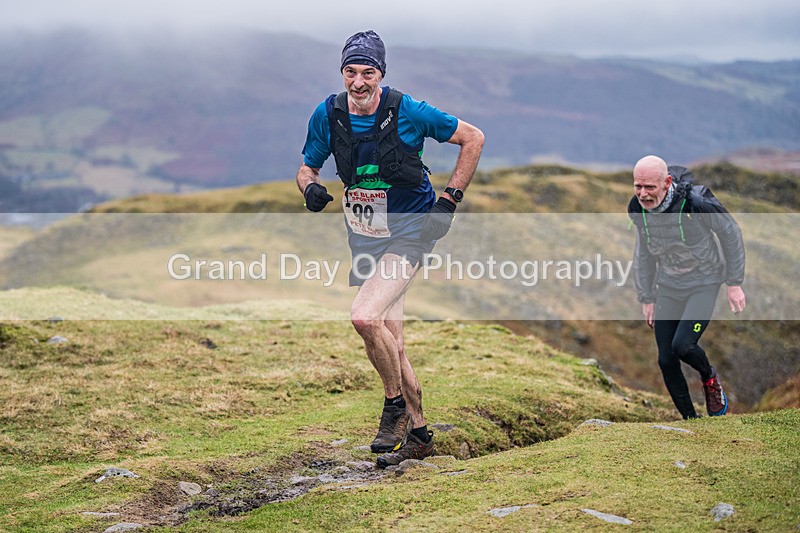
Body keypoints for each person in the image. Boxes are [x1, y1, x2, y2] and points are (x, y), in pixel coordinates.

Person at [295, 30, 484, 467]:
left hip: (412, 229)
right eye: (350, 71)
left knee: (364, 316)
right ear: (342, 72)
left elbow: (473, 138)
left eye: (368, 72)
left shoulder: (409, 111)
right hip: (365, 234)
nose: (358, 82)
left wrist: (449, 200)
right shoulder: (329, 114)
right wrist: (311, 189)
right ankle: (419, 436)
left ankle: (394, 407)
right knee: (391, 343)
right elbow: (307, 166)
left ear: (380, 73)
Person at [627, 155, 746, 420]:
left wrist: (734, 282)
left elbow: (730, 232)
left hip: (704, 281)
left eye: (650, 187)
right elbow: (644, 252)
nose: (643, 194)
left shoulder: (696, 202)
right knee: (666, 359)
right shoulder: (636, 209)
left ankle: (709, 378)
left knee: (683, 345)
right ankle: (691, 422)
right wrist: (647, 297)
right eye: (638, 186)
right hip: (668, 285)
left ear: (667, 182)